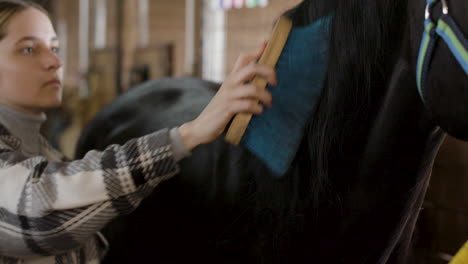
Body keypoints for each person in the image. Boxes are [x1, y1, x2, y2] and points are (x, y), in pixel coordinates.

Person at [0, 0, 276, 263]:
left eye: (54, 47)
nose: (55, 62)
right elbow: (37, 213)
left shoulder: (43, 151)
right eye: (28, 49)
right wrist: (189, 135)